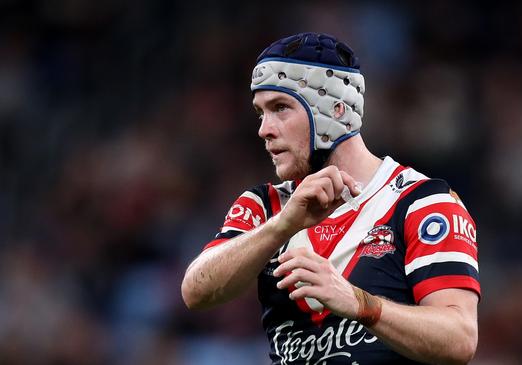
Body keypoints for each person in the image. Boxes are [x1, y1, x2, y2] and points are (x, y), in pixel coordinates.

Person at [181, 32, 480, 365]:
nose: (264, 129)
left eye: (280, 108)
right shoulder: (266, 207)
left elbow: (459, 339)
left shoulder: (422, 201)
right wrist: (282, 226)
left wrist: (359, 304)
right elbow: (196, 291)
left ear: (335, 110)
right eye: (260, 113)